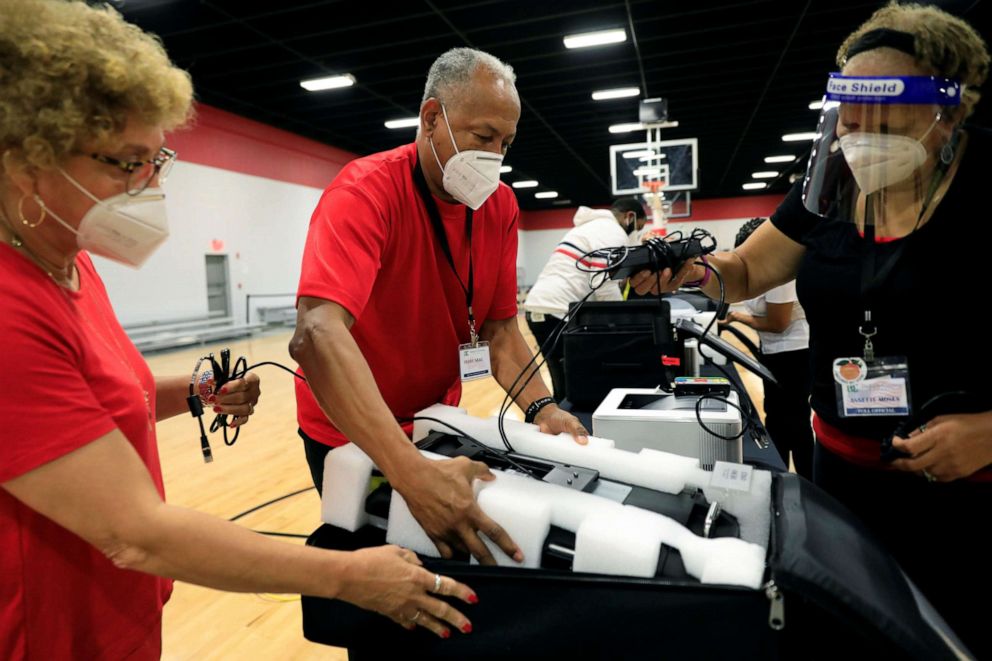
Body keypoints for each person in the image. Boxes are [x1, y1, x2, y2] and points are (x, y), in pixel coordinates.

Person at [0, 2, 475, 657]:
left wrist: (195, 391)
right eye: (123, 163)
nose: (147, 184)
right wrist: (347, 575)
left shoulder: (71, 264)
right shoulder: (8, 309)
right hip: (44, 633)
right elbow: (135, 530)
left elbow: (94, 399)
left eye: (155, 159)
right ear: (27, 162)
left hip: (115, 617)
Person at [632, 3, 990, 655]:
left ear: (948, 113)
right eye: (847, 121)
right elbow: (744, 270)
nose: (858, 136)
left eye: (881, 120)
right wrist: (690, 272)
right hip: (843, 478)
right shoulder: (833, 184)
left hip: (964, 491)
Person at [290, 48, 588, 567]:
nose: (495, 155)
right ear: (432, 119)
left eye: (506, 142)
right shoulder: (364, 192)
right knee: (383, 581)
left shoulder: (500, 205)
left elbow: (499, 332)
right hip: (349, 430)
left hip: (435, 418)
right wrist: (407, 471)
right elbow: (317, 333)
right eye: (482, 136)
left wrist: (543, 408)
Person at [523, 197, 648, 400]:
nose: (636, 233)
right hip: (557, 311)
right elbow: (602, 283)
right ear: (630, 217)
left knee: (562, 382)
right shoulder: (612, 232)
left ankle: (557, 424)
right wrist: (626, 321)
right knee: (574, 384)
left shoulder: (590, 228)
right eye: (638, 228)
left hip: (540, 308)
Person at [721, 218, 813, 477]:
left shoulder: (780, 274)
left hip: (794, 354)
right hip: (774, 352)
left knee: (794, 421)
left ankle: (807, 482)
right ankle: (778, 475)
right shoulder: (759, 272)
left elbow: (778, 322)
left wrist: (738, 318)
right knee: (776, 419)